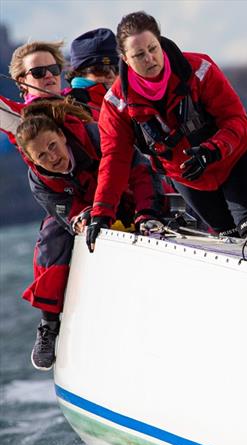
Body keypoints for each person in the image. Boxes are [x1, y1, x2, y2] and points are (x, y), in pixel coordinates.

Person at [89, 11, 247, 250]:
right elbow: (114, 160)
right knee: (227, 240)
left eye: (153, 48)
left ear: (160, 43)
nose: (150, 58)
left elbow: (235, 119)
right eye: (139, 55)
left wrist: (211, 150)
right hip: (188, 177)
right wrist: (101, 212)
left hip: (237, 156)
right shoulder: (116, 103)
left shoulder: (199, 69)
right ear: (125, 59)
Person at [14, 99, 164, 370]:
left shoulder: (96, 136)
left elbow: (140, 171)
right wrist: (82, 219)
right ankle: (49, 324)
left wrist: (147, 214)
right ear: (32, 160)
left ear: (61, 135)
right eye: (42, 156)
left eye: (52, 146)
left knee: (154, 214)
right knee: (49, 238)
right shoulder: (39, 178)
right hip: (88, 211)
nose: (52, 158)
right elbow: (65, 212)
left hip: (127, 197)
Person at [65, 28, 119, 119]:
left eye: (115, 68)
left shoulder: (125, 99)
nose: (111, 75)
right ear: (80, 72)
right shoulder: (73, 106)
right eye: (102, 69)